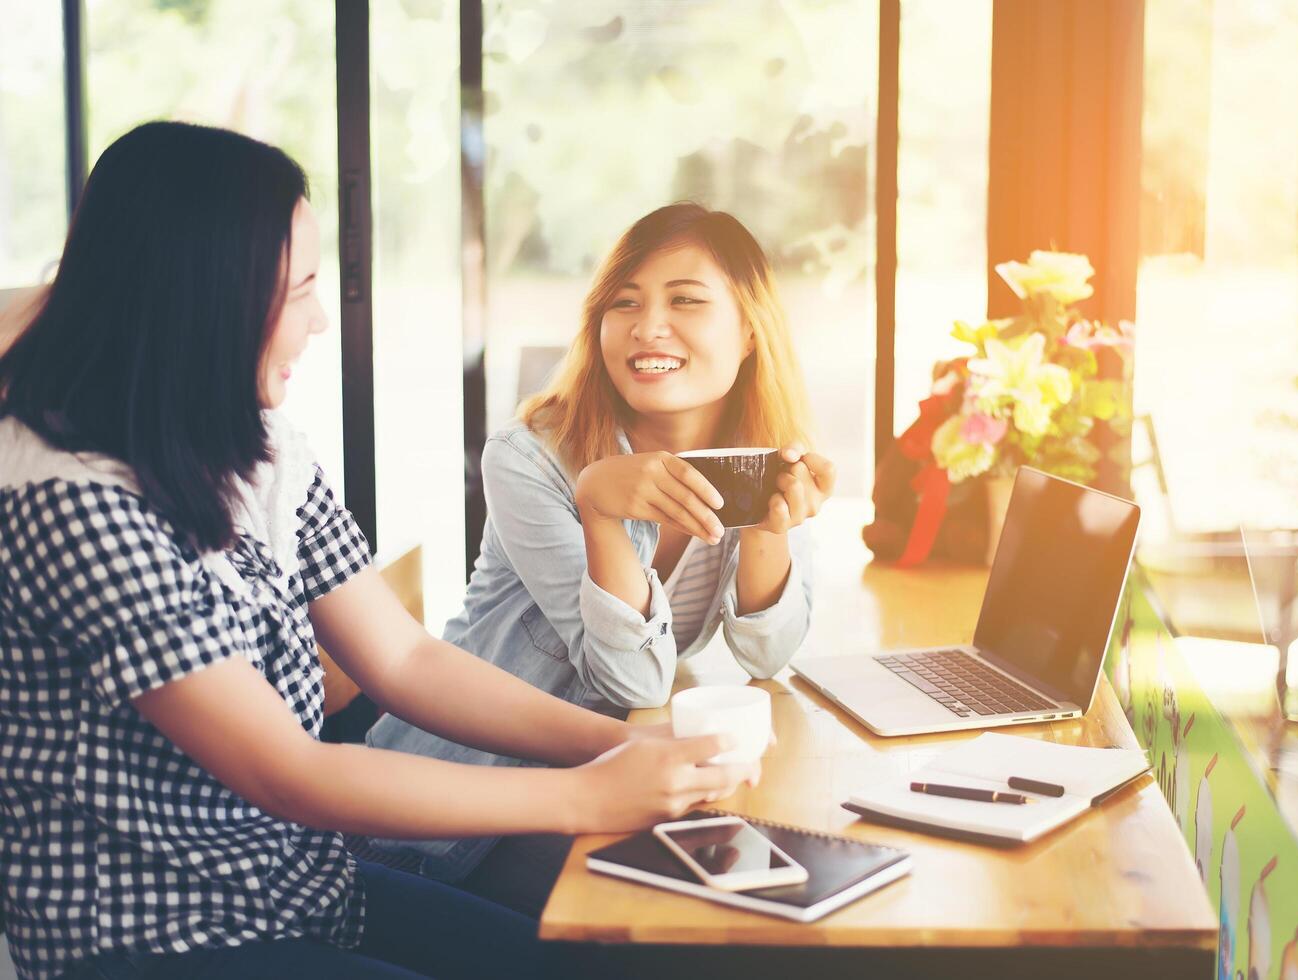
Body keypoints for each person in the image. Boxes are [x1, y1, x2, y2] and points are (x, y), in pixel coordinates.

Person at [0, 122, 754, 980]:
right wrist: (585, 793)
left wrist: (613, 747)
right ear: (206, 299)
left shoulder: (255, 443)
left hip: (294, 884)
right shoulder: (68, 501)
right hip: (152, 934)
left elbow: (403, 657)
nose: (322, 321)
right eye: (299, 293)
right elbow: (289, 773)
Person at [367, 202, 835, 910]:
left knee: (796, 869)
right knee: (706, 914)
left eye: (685, 301)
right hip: (452, 821)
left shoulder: (759, 449)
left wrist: (769, 523)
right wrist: (599, 507)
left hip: (599, 782)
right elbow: (633, 682)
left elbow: (766, 657)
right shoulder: (529, 458)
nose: (648, 327)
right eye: (625, 303)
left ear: (747, 330)